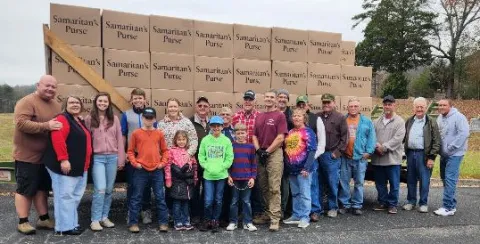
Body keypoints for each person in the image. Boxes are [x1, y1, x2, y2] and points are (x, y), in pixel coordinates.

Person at [13, 75, 60, 234]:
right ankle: (23, 221)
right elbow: (21, 123)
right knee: (26, 189)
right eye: (47, 85)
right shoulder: (27, 101)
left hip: (46, 157)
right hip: (28, 156)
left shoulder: (55, 105)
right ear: (38, 85)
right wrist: (47, 125)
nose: (50, 89)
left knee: (42, 189)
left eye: (53, 87)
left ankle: (44, 219)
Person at [42, 96, 92, 235]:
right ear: (65, 105)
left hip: (79, 166)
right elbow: (58, 139)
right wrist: (63, 159)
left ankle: (72, 224)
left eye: (77, 102)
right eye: (71, 102)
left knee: (74, 197)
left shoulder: (78, 120)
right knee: (64, 196)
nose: (75, 104)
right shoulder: (62, 119)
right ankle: (64, 227)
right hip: (65, 166)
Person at [85, 92, 125, 231]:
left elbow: (120, 139)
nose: (102, 103)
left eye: (105, 101)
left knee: (108, 190)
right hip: (98, 158)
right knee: (100, 189)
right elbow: (86, 139)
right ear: (96, 102)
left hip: (113, 158)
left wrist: (121, 159)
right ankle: (95, 220)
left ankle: (104, 217)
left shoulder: (114, 119)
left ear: (109, 103)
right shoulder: (90, 118)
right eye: (100, 101)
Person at [126, 107, 169, 233]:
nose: (148, 120)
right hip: (141, 170)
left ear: (154, 119)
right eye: (146, 117)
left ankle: (163, 223)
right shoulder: (136, 133)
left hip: (157, 170)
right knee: (136, 197)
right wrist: (135, 163)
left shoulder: (159, 133)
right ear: (142, 118)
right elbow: (130, 151)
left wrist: (163, 163)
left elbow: (165, 151)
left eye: (151, 118)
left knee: (160, 197)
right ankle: (133, 223)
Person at [252, 89, 288, 231]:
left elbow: (281, 137)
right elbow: (254, 136)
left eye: (271, 97)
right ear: (263, 98)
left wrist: (267, 152)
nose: (268, 99)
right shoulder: (259, 116)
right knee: (263, 186)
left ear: (275, 100)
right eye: (266, 96)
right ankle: (267, 213)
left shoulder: (280, 116)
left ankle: (275, 218)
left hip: (274, 154)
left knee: (274, 187)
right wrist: (259, 151)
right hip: (261, 154)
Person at [120, 88, 154, 224]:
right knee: (132, 185)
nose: (138, 100)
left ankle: (146, 210)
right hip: (132, 155)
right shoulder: (126, 114)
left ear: (145, 100)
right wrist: (123, 152)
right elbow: (123, 134)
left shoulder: (150, 113)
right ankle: (132, 211)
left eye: (140, 98)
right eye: (135, 98)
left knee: (146, 184)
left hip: (147, 156)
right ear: (131, 100)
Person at [401, 97, 440, 213]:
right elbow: (403, 137)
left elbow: (436, 141)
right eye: (417, 107)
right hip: (410, 153)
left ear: (426, 108)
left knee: (424, 180)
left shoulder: (431, 122)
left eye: (421, 107)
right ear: (413, 108)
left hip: (424, 155)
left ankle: (423, 203)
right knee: (411, 179)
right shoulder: (409, 121)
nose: (419, 109)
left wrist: (432, 157)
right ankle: (411, 202)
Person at [338, 97, 376, 216]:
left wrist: (369, 152)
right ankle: (345, 204)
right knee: (344, 182)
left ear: (359, 108)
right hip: (345, 157)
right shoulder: (342, 120)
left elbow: (372, 138)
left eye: (355, 106)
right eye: (351, 106)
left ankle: (357, 205)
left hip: (360, 158)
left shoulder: (367, 121)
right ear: (347, 108)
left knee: (359, 182)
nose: (353, 108)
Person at [197, 116, 234, 233]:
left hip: (221, 175)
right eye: (214, 126)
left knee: (218, 200)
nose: (216, 128)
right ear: (210, 127)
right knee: (208, 200)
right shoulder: (205, 140)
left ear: (222, 127)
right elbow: (201, 156)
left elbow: (229, 157)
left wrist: (222, 167)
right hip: (208, 175)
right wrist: (207, 166)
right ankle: (207, 219)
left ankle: (215, 220)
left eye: (218, 126)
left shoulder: (226, 140)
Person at [282, 108, 317, 229]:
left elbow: (312, 151)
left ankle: (305, 217)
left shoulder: (308, 132)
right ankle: (296, 215)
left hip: (303, 170)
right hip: (292, 169)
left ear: (304, 118)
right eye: (294, 116)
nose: (296, 118)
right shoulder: (290, 131)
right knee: (295, 193)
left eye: (299, 116)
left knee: (304, 194)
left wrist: (307, 168)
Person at [231, 90, 263, 221]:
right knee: (237, 186)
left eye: (250, 99)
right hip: (238, 154)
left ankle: (254, 213)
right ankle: (238, 214)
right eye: (246, 99)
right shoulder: (236, 116)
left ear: (255, 101)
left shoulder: (260, 117)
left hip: (254, 153)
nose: (248, 102)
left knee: (254, 184)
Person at [434, 99, 469, 216]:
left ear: (450, 106)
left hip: (455, 154)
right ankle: (452, 205)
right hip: (443, 154)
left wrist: (450, 148)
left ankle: (447, 207)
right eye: (439, 105)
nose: (441, 107)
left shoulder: (459, 117)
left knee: (450, 179)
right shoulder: (439, 118)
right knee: (445, 178)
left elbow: (463, 133)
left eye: (444, 105)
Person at [371, 95, 406, 214]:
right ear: (383, 105)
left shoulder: (400, 122)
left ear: (394, 105)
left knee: (394, 183)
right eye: (385, 104)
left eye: (390, 104)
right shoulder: (376, 121)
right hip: (378, 159)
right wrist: (376, 146)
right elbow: (371, 135)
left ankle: (392, 204)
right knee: (380, 183)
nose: (387, 106)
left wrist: (384, 148)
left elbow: (398, 139)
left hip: (392, 159)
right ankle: (382, 202)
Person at [316, 93, 348, 219]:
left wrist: (336, 153)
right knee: (318, 182)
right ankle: (318, 208)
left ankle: (332, 207)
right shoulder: (317, 116)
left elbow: (344, 138)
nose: (326, 105)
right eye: (324, 102)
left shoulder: (340, 117)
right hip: (318, 154)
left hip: (331, 155)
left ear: (334, 103)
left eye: (329, 102)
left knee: (332, 182)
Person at [295, 95, 326, 222]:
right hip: (297, 161)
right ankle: (301, 212)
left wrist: (312, 157)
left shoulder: (316, 119)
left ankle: (315, 210)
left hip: (312, 159)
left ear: (308, 105)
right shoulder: (295, 120)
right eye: (299, 104)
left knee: (313, 185)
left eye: (304, 104)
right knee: (299, 188)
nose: (302, 106)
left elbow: (322, 142)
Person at [226, 123, 258, 232]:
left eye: (242, 133)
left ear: (246, 133)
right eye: (238, 133)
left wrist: (252, 177)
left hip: (247, 178)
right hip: (234, 178)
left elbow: (253, 163)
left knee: (246, 201)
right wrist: (228, 175)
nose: (240, 135)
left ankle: (247, 222)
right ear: (234, 134)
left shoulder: (251, 147)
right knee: (234, 201)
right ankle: (233, 222)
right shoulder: (231, 146)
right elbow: (228, 163)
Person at [165, 130, 198, 231]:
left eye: (183, 139)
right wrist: (168, 179)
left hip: (187, 181)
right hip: (176, 180)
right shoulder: (171, 151)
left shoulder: (189, 152)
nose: (181, 141)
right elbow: (167, 165)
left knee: (185, 202)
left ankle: (186, 220)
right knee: (177, 201)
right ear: (175, 140)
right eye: (179, 139)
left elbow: (194, 166)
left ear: (187, 140)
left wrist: (195, 178)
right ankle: (177, 220)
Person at [190, 96, 211, 223]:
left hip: (209, 163)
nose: (202, 108)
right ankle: (195, 214)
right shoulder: (189, 122)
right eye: (200, 106)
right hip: (195, 162)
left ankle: (205, 214)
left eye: (205, 106)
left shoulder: (213, 123)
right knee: (195, 188)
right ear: (196, 107)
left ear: (209, 108)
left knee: (207, 189)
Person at [277, 88, 293, 219]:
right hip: (274, 151)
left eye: (284, 97)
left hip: (288, 152)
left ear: (288, 100)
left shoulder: (292, 115)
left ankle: (284, 209)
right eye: (280, 97)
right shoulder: (272, 113)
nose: (282, 99)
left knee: (285, 181)